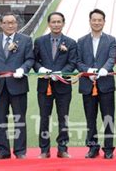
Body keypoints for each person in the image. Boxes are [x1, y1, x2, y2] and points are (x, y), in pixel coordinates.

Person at [0, 12, 34, 160]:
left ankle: (20, 151)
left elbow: (30, 59)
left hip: (18, 85)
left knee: (19, 119)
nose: (10, 25)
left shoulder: (25, 40)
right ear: (1, 24)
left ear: (16, 24)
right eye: (7, 22)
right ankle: (3, 150)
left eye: (13, 22)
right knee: (1, 119)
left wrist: (23, 69)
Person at [33, 12, 77, 159]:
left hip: (63, 86)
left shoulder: (70, 43)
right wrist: (41, 69)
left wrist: (61, 73)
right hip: (44, 86)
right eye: (53, 22)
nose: (56, 24)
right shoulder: (39, 41)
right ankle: (44, 150)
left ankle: (62, 148)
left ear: (63, 23)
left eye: (59, 22)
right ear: (49, 23)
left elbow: (72, 63)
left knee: (63, 117)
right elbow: (34, 60)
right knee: (44, 117)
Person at [77, 9, 116, 159]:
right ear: (90, 21)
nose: (97, 22)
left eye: (100, 20)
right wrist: (88, 71)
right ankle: (93, 147)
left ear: (104, 22)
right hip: (88, 85)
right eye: (94, 20)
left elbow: (112, 58)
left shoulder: (110, 40)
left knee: (108, 117)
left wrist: (103, 70)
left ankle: (108, 148)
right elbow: (77, 61)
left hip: (106, 84)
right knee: (90, 118)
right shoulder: (81, 41)